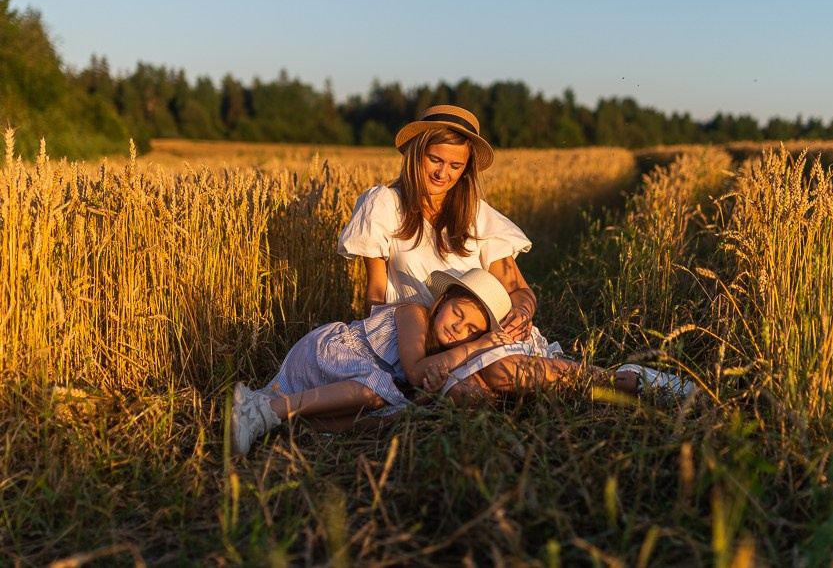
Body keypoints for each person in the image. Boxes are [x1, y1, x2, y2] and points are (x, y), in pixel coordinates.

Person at [229, 269, 690, 456]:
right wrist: (482, 341)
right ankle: (269, 410)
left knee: (390, 413)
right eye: (458, 312)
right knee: (379, 391)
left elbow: (427, 378)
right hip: (330, 355)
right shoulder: (412, 313)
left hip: (356, 380)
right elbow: (415, 372)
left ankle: (280, 413)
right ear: (443, 298)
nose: (459, 328)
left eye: (473, 327)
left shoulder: (444, 346)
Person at [336, 105, 560, 392]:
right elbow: (376, 298)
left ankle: (620, 380)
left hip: (480, 337)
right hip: (416, 343)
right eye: (435, 160)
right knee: (465, 392)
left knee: (502, 371)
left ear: (466, 169)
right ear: (417, 154)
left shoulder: (479, 216)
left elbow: (519, 290)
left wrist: (522, 313)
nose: (443, 173)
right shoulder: (384, 205)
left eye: (456, 166)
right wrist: (410, 346)